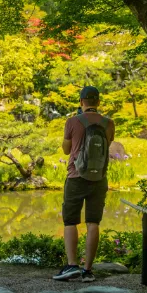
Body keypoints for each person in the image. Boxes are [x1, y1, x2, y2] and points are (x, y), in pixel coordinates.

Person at [53, 86, 115, 282]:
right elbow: (108, 144)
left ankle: (72, 266)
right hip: (99, 179)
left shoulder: (72, 121)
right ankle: (88, 271)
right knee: (93, 222)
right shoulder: (109, 123)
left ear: (81, 102)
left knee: (70, 221)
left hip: (75, 177)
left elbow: (65, 150)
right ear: (98, 102)